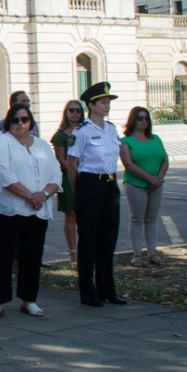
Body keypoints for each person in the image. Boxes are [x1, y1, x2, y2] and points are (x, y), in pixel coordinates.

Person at [0, 104, 62, 321]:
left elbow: (56, 174)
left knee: (32, 254)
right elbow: (2, 173)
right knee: (2, 255)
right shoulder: (2, 143)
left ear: (31, 122)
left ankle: (29, 299)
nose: (20, 124)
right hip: (7, 208)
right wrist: (30, 196)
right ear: (9, 123)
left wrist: (43, 195)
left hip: (37, 209)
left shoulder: (43, 146)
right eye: (15, 120)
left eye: (24, 119)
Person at [66, 82, 127, 307]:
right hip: (90, 186)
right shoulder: (82, 132)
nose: (107, 106)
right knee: (89, 241)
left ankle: (107, 290)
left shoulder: (111, 129)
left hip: (110, 185)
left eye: (108, 102)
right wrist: (80, 192)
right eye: (103, 102)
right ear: (91, 105)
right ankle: (88, 292)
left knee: (108, 240)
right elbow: (71, 165)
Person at [119, 106, 169, 267]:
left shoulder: (155, 138)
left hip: (157, 184)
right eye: (140, 118)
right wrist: (149, 178)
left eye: (146, 118)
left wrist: (159, 178)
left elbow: (165, 160)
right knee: (137, 219)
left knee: (151, 219)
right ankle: (137, 254)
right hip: (136, 184)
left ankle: (152, 253)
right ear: (133, 120)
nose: (144, 121)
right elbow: (128, 163)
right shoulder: (125, 141)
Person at [51, 100, 85, 267]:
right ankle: (72, 252)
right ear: (66, 112)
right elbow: (61, 160)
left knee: (85, 215)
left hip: (86, 176)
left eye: (78, 110)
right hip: (68, 177)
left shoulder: (85, 131)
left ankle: (85, 250)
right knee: (70, 214)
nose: (75, 113)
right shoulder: (60, 135)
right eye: (71, 110)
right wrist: (73, 171)